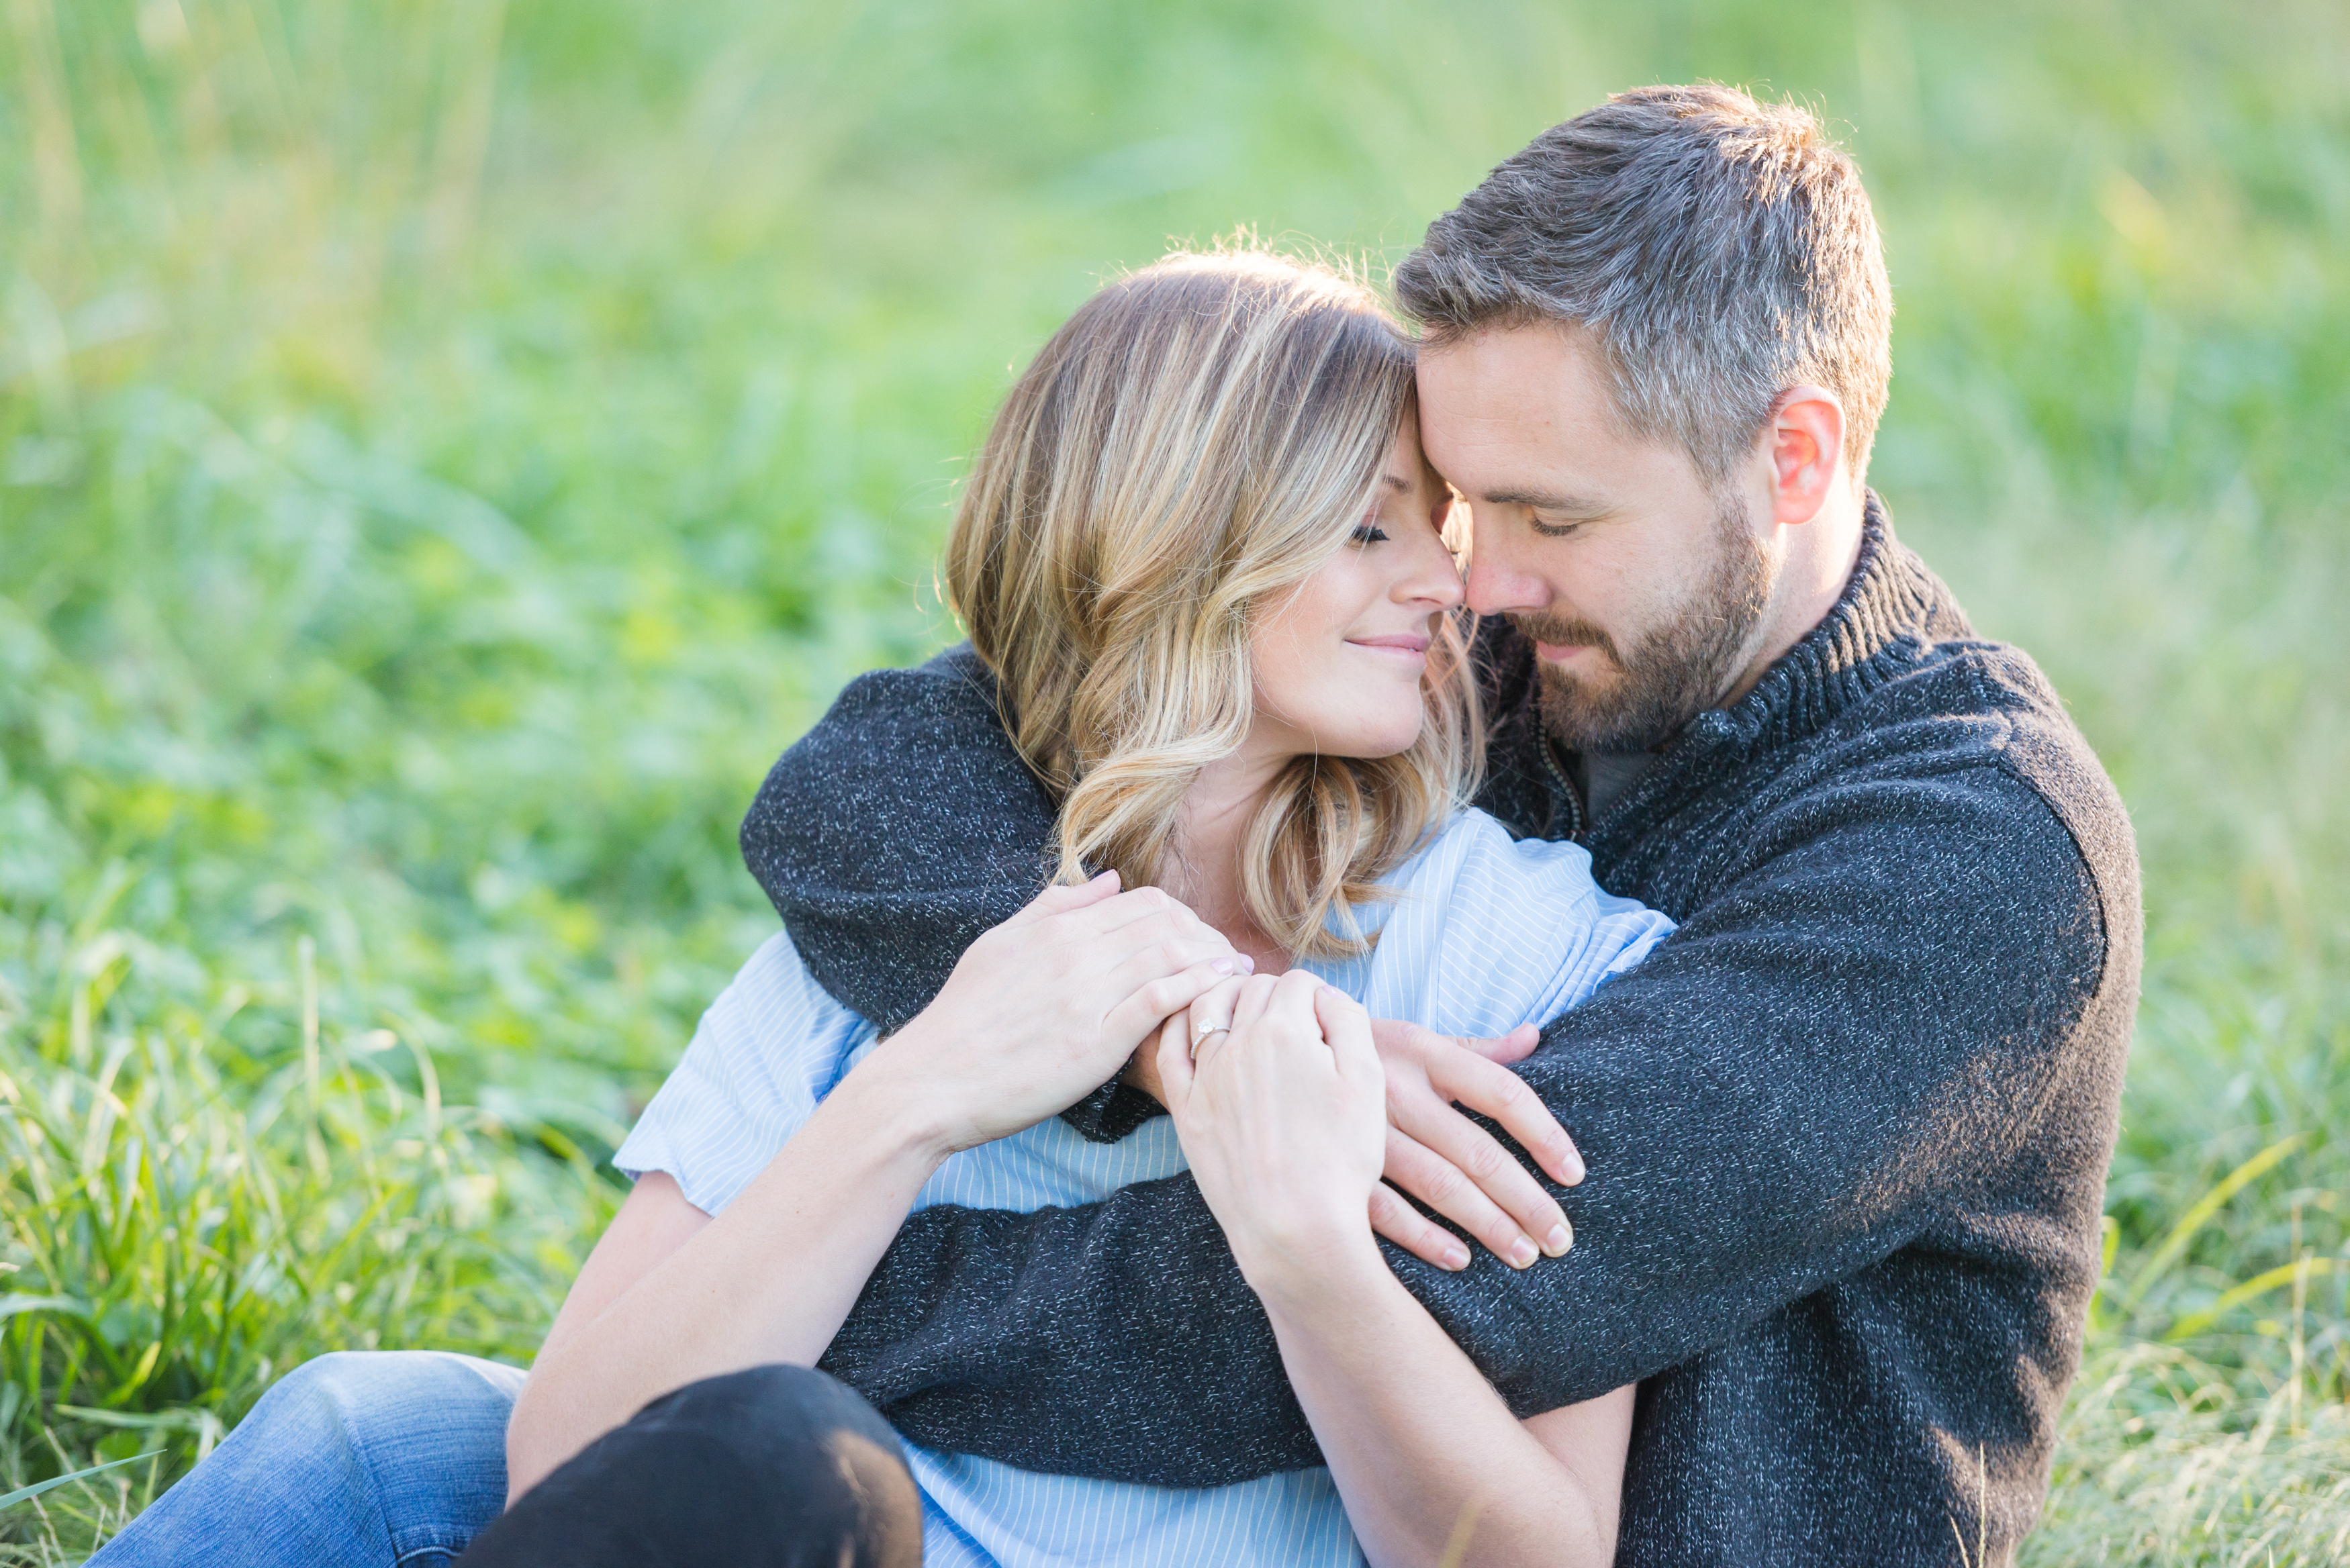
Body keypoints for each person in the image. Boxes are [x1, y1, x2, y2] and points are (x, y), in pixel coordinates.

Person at [739, 85, 2141, 1565]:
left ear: (1790, 460)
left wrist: (773, 1292)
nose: (1478, 583)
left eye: (1551, 516)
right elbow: (879, 778)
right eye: (1464, 507)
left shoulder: (1972, 857)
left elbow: (1421, 1278)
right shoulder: (1497, 643)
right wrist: (1186, 1025)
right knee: (457, 1423)